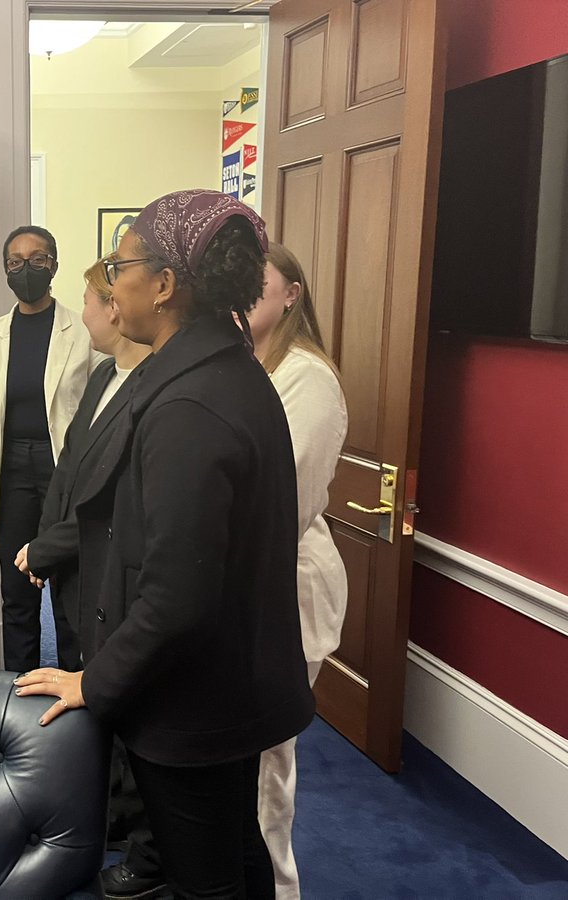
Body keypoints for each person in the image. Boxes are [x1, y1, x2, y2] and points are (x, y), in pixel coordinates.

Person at [15, 189, 314, 898]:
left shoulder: (190, 403)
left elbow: (177, 593)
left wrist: (96, 680)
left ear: (167, 284)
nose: (113, 286)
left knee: (205, 878)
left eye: (121, 266)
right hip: (227, 687)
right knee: (240, 864)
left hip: (195, 704)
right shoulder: (223, 370)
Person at [247, 242, 348, 900]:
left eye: (260, 284)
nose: (245, 296)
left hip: (288, 584)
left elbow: (286, 502)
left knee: (267, 761)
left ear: (293, 294)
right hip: (248, 584)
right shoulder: (252, 364)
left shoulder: (307, 378)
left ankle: (277, 887)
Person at [0, 225, 100, 672]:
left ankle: (73, 690)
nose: (26, 269)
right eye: (15, 262)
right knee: (17, 593)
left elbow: (99, 407)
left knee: (68, 585)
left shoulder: (82, 332)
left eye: (37, 259)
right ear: (6, 270)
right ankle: (17, 696)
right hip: (10, 473)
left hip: (65, 469)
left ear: (54, 266)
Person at [15, 257, 150, 670]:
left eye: (88, 301)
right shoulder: (104, 375)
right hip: (70, 562)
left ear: (113, 308)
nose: (83, 313)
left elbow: (114, 495)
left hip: (106, 566)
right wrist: (44, 545)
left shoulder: (150, 388)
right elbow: (68, 469)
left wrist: (47, 548)